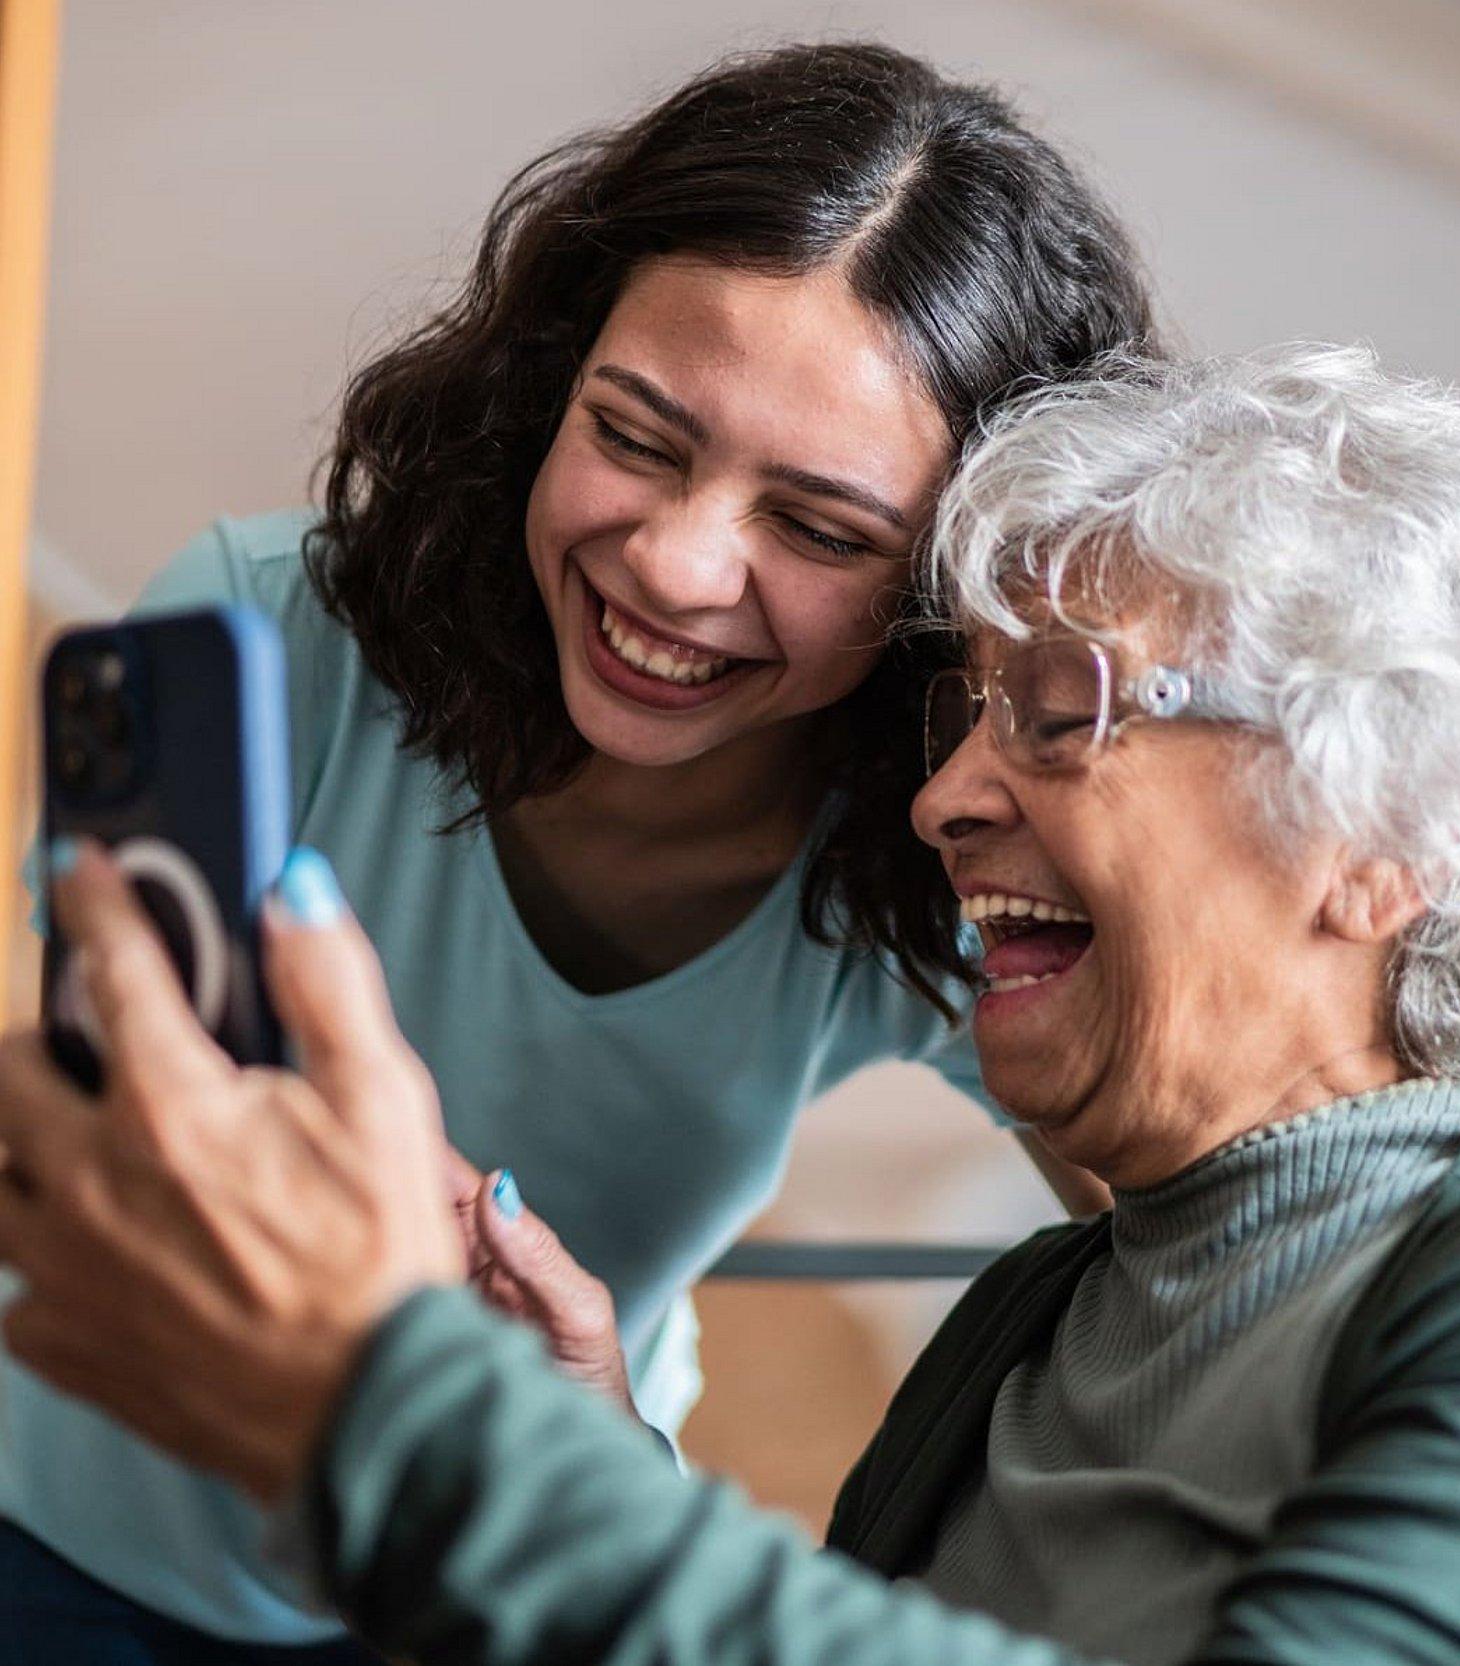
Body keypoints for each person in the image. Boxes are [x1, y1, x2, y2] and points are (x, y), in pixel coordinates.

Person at [6, 342, 1460, 1666]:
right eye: (966, 713)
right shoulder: (1041, 1312)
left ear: (1390, 836)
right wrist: (581, 1445)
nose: (941, 795)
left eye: (1061, 707)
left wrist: (396, 1414)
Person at [0, 40, 1156, 1661]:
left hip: (499, 1566)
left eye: (819, 530)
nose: (676, 568)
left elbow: (1201, 1254)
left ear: (946, 603)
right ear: (551, 378)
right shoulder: (266, 633)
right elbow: (96, 1146)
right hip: (56, 1492)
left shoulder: (946, 843)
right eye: (635, 434)